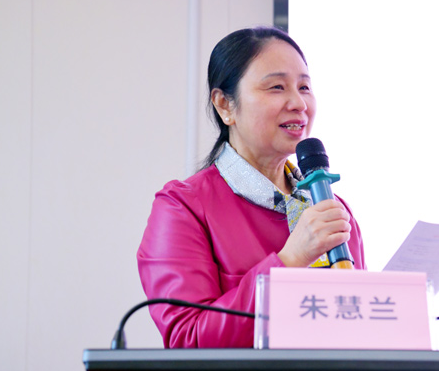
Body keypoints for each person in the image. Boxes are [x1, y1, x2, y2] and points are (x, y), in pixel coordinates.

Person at [137, 26, 366, 348]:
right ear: (225, 105)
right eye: (276, 87)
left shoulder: (330, 209)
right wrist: (289, 260)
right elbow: (187, 338)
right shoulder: (183, 207)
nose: (298, 102)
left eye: (304, 87)